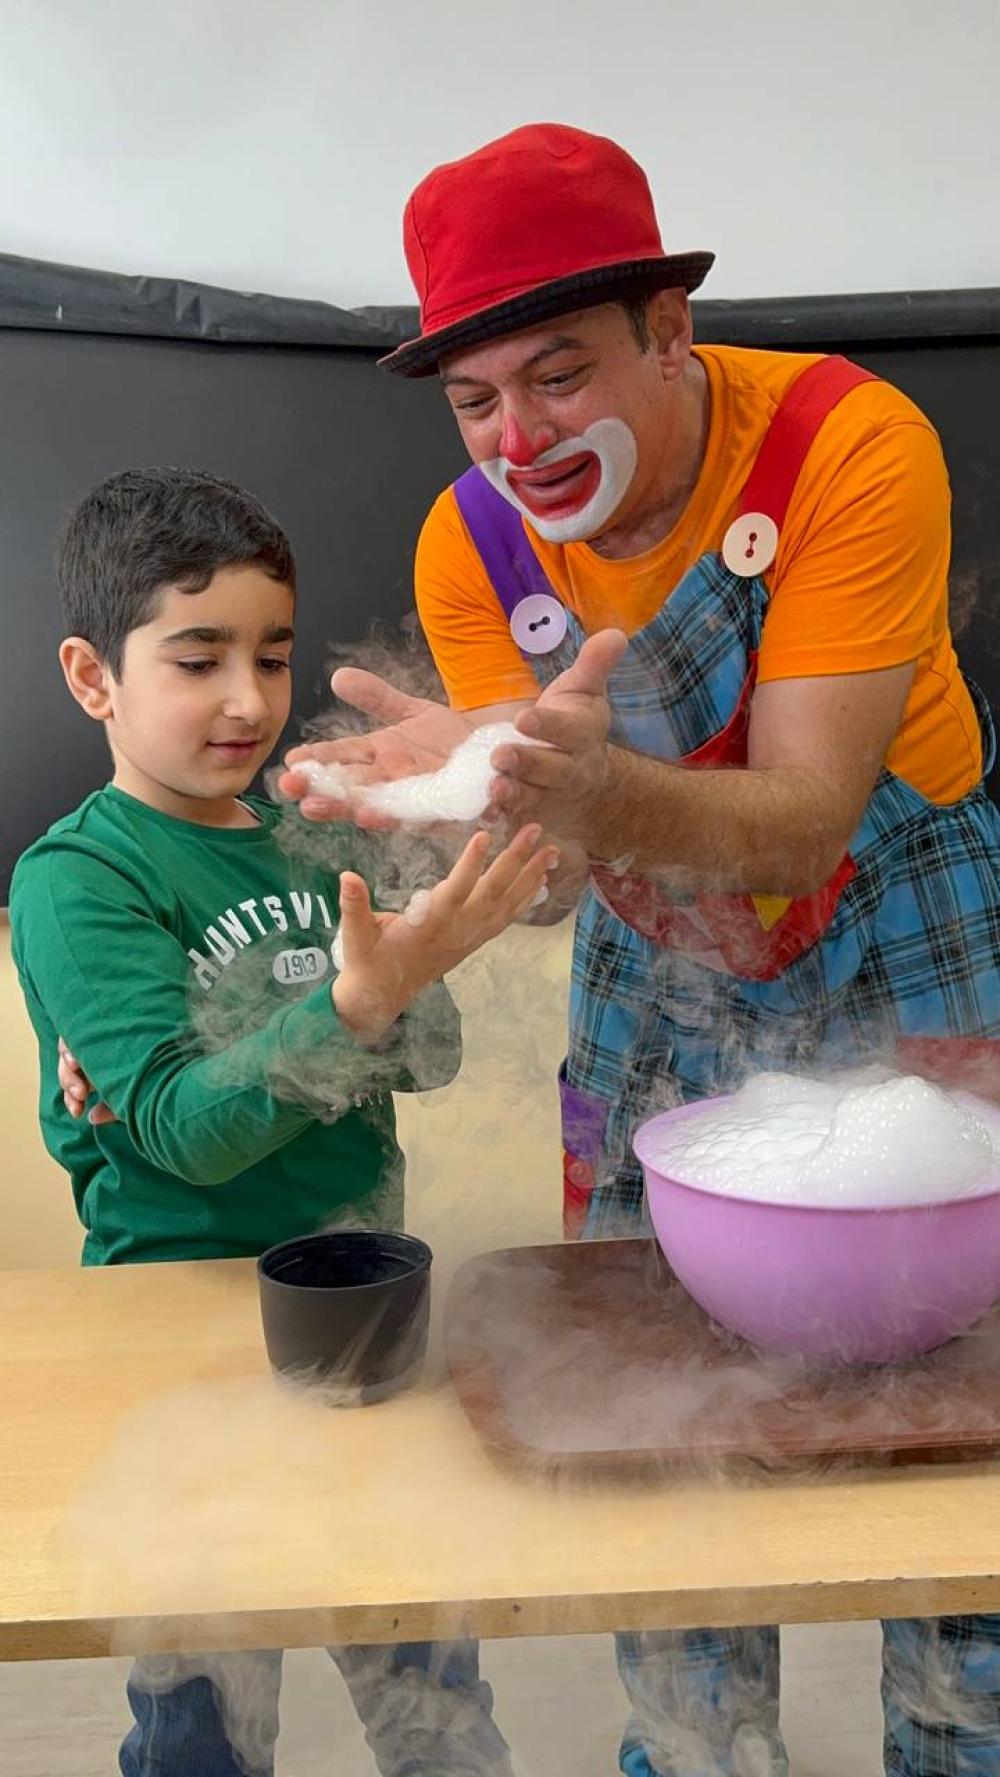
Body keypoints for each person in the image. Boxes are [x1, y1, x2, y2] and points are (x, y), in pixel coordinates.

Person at [280, 125, 1000, 1777]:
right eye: (475, 399)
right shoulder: (472, 546)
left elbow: (806, 822)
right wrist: (472, 816)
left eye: (559, 373)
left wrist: (588, 795)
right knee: (643, 1389)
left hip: (912, 925)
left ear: (670, 331)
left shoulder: (846, 443)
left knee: (961, 1404)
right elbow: (548, 876)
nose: (518, 440)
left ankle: (964, 1737)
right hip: (654, 971)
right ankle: (692, 1747)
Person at [10, 465, 555, 1777]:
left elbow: (426, 1057)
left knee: (433, 1695)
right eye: (198, 660)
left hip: (367, 1309)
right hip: (179, 1333)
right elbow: (183, 1130)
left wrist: (403, 982)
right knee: (205, 1718)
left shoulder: (309, 829)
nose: (251, 701)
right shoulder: (81, 878)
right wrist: (357, 1001)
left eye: (271, 654)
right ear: (93, 677)